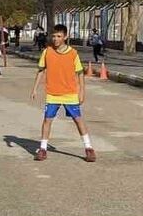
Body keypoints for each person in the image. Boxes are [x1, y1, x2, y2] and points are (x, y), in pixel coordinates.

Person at [31, 24, 95, 163]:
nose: (55, 39)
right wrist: (35, 89)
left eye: (59, 36)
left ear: (65, 37)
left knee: (78, 120)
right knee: (47, 120)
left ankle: (89, 148)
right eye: (53, 36)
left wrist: (82, 92)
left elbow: (80, 74)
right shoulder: (47, 52)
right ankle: (43, 149)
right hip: (52, 94)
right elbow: (41, 70)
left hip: (70, 94)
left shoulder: (73, 53)